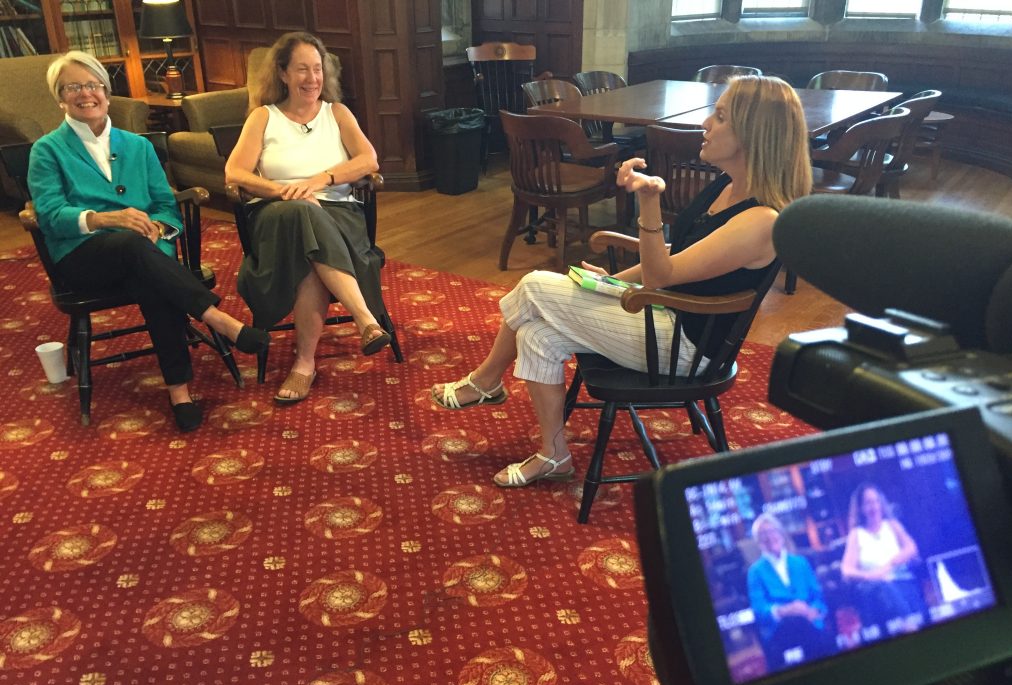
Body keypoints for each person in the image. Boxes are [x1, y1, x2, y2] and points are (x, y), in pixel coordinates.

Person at [431, 75, 812, 487]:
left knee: (536, 285)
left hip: (687, 347)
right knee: (537, 335)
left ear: (753, 132)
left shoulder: (761, 221)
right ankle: (554, 455)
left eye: (720, 117)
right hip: (665, 314)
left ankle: (486, 381)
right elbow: (673, 262)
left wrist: (648, 202)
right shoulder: (726, 185)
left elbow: (662, 273)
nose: (705, 123)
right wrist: (611, 282)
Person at [27, 51, 270, 433]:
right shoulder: (47, 150)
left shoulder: (137, 147)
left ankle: (179, 391)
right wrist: (104, 218)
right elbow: (51, 214)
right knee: (132, 248)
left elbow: (164, 204)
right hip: (82, 257)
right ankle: (216, 318)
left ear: (107, 93)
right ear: (60, 97)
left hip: (142, 254)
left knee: (150, 273)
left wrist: (160, 226)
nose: (85, 94)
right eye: (73, 87)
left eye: (93, 85)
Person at [225, 31, 390, 406]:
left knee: (308, 248)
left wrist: (320, 180)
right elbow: (235, 173)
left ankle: (304, 364)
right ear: (283, 73)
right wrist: (287, 191)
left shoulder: (338, 113)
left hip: (336, 214)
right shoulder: (262, 117)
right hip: (275, 215)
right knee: (300, 214)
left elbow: (369, 161)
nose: (311, 79)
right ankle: (365, 319)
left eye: (317, 69)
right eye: (302, 69)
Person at [745, 513, 831, 671]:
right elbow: (759, 610)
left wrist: (813, 611)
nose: (770, 537)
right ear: (758, 542)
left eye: (772, 531)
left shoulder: (800, 562)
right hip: (780, 630)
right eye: (763, 534)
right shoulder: (755, 572)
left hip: (811, 621)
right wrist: (786, 611)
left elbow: (818, 596)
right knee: (798, 625)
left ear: (781, 534)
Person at [841, 482, 925, 635]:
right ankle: (909, 626)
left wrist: (891, 563)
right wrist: (871, 575)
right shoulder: (856, 534)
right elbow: (846, 570)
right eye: (868, 503)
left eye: (875, 501)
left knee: (900, 590)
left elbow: (911, 548)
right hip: (875, 590)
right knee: (884, 587)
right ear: (860, 508)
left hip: (901, 581)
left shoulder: (892, 525)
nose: (873, 507)